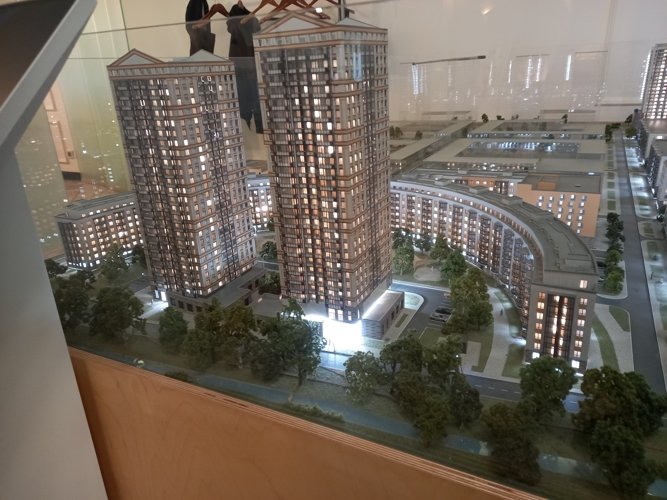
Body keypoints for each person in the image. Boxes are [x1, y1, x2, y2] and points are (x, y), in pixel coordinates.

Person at [227, 2, 263, 132]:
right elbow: (233, 26)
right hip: (243, 61)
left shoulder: (249, 18)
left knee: (253, 91)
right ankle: (250, 121)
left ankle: (256, 123)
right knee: (247, 91)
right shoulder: (236, 16)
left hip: (247, 61)